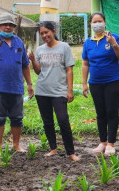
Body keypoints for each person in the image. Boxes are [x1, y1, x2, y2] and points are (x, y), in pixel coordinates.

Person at [28, 21, 80, 162]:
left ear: (53, 31)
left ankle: (71, 152)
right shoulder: (40, 50)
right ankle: (53, 148)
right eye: (42, 33)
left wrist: (70, 90)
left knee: (63, 120)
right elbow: (39, 72)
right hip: (42, 90)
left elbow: (69, 70)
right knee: (47, 121)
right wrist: (33, 60)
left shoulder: (64, 47)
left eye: (47, 32)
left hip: (59, 91)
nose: (45, 35)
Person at [0, 13, 34, 156]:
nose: (8, 27)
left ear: (14, 27)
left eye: (11, 25)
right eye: (4, 24)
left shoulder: (18, 42)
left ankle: (16, 145)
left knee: (17, 117)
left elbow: (25, 65)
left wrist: (29, 84)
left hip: (16, 86)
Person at [82, 12, 119, 156]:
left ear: (105, 22)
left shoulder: (113, 37)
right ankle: (102, 142)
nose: (97, 24)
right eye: (94, 22)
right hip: (95, 83)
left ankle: (111, 143)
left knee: (111, 112)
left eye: (100, 21)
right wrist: (84, 83)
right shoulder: (88, 42)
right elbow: (85, 63)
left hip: (113, 81)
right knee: (100, 113)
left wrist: (113, 44)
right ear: (90, 24)